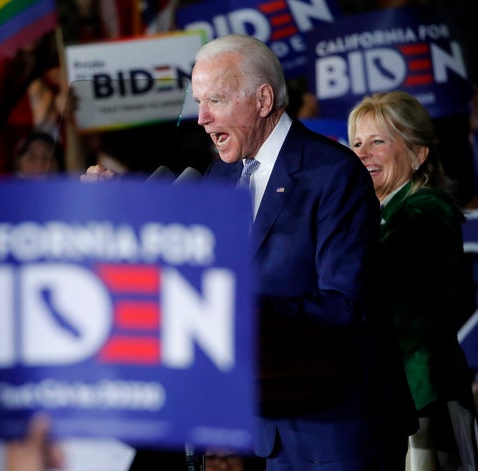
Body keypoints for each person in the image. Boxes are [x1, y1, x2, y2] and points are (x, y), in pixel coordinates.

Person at [84, 33, 412, 469]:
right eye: (198, 102)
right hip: (260, 430)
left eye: (215, 101)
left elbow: (345, 307)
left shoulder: (332, 174)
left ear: (262, 99)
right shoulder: (220, 176)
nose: (202, 118)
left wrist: (232, 310)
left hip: (336, 429)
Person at [348, 90, 478, 469]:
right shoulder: (379, 213)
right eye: (356, 143)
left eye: (378, 141)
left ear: (418, 154)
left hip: (424, 396)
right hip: (391, 397)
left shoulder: (427, 210)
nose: (362, 153)